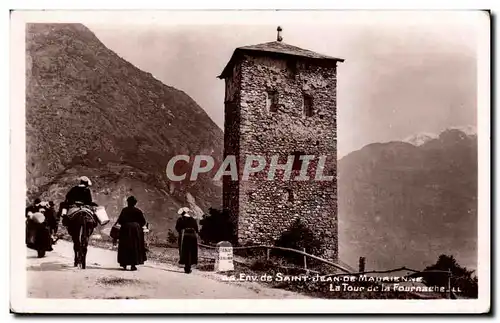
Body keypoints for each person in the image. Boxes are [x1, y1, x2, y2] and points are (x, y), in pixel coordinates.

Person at [116, 196, 147, 271]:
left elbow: (120, 221)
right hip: (136, 230)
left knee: (125, 246)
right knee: (135, 246)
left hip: (125, 230)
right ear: (135, 203)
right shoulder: (138, 211)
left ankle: (124, 263)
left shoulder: (124, 210)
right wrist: (137, 226)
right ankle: (133, 265)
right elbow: (143, 222)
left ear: (128, 202)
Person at [175, 207, 199, 274]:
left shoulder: (180, 219)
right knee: (192, 251)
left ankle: (187, 267)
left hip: (184, 237)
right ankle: (189, 267)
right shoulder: (193, 220)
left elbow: (177, 228)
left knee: (185, 252)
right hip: (193, 237)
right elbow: (196, 229)